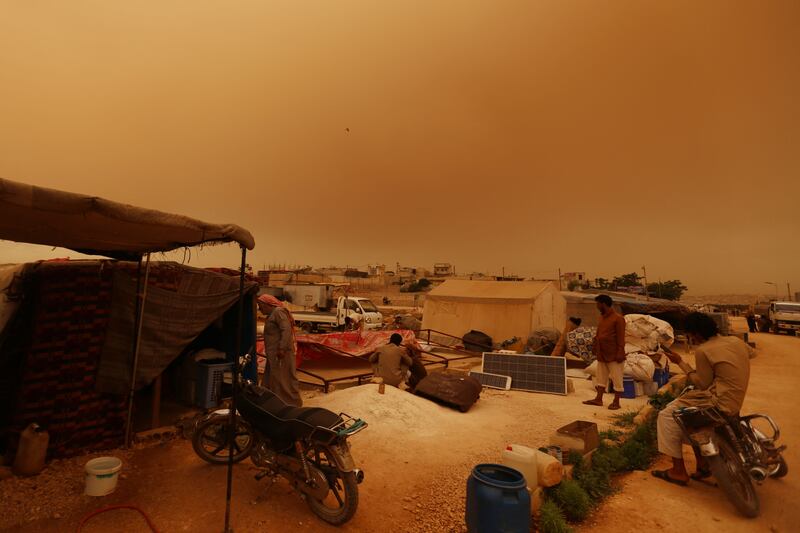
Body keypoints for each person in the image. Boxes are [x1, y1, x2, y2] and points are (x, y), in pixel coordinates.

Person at [652, 312, 752, 486]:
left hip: (718, 402)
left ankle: (678, 471)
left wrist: (681, 363)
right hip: (736, 399)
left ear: (696, 334)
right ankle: (703, 464)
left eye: (690, 335)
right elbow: (749, 355)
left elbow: (702, 383)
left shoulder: (703, 350)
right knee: (690, 418)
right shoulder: (736, 341)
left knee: (666, 416)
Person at [583, 294, 626, 410]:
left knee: (617, 378)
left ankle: (616, 402)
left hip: (614, 354)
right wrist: (595, 346)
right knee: (601, 377)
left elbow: (621, 337)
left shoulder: (618, 319)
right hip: (602, 352)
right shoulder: (602, 318)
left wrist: (620, 352)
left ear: (603, 304)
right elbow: (599, 334)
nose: (596, 306)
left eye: (597, 304)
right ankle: (598, 399)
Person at [258, 294, 302, 407]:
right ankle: (272, 403)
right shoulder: (271, 315)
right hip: (274, 355)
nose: (259, 308)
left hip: (281, 354)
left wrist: (281, 348)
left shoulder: (278, 312)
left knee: (284, 380)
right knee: (273, 379)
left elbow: (286, 329)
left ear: (268, 305)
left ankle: (291, 404)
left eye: (260, 305)